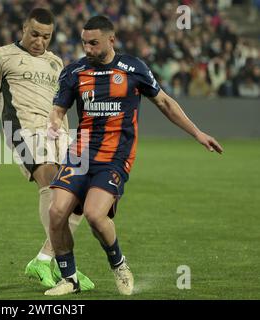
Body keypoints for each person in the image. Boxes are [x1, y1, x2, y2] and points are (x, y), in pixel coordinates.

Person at [45, 16, 223, 296]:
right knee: (56, 212)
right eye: (84, 43)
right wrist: (54, 121)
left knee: (94, 215)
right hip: (80, 153)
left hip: (115, 156)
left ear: (111, 40)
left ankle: (118, 263)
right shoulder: (74, 72)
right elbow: (58, 108)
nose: (88, 49)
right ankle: (70, 279)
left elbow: (164, 101)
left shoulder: (133, 69)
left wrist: (197, 133)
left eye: (94, 43)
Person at [0, 8, 94, 291]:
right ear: (23, 29)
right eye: (34, 34)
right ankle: (67, 267)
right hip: (21, 129)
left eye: (46, 37)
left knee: (83, 196)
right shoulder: (1, 56)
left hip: (58, 132)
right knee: (53, 186)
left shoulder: (56, 63)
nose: (40, 41)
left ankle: (45, 258)